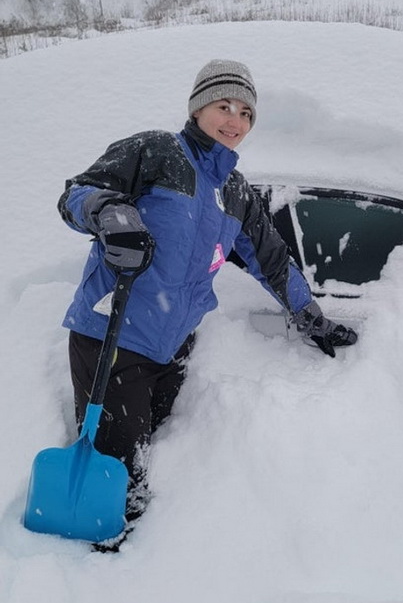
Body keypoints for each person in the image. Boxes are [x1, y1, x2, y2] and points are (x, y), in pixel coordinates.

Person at [58, 59, 358, 529]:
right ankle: (104, 562)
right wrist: (108, 212)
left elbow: (271, 260)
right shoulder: (156, 151)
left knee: (157, 445)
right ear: (198, 109)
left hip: (173, 347)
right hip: (112, 340)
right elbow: (78, 193)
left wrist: (310, 315)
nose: (235, 121)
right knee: (120, 480)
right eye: (224, 106)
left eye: (246, 113)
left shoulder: (235, 190)